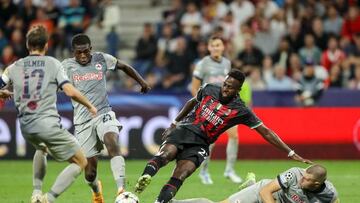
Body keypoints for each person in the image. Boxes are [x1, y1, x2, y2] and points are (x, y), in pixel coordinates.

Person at [134, 69, 312, 203]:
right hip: (186, 129)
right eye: (225, 84)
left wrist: (290, 152)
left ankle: (159, 202)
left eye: (230, 88)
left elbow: (266, 131)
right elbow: (191, 102)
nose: (225, 89)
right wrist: (174, 123)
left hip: (201, 144)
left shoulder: (241, 110)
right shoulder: (210, 88)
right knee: (165, 155)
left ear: (238, 90)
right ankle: (146, 177)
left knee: (181, 174)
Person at [0, 25, 97, 203]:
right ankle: (48, 199)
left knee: (41, 148)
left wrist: (3, 92)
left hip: (26, 126)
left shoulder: (14, 66)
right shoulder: (53, 63)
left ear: (27, 45)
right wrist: (90, 106)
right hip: (47, 123)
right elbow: (69, 91)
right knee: (80, 162)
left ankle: (36, 193)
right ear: (46, 45)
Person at [61, 33, 151, 203]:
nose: (82, 55)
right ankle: (96, 192)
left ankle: (121, 190)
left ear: (91, 49)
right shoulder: (65, 66)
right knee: (90, 173)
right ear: (73, 52)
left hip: (104, 113)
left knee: (112, 143)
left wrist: (142, 82)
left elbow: (124, 67)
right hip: (82, 122)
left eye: (85, 51)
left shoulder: (101, 59)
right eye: (78, 52)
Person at [191, 35, 242, 184]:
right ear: (208, 48)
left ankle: (229, 170)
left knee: (234, 136)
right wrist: (202, 104)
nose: (215, 48)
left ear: (223, 47)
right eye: (213, 45)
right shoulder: (202, 64)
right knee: (210, 141)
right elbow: (194, 87)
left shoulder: (227, 63)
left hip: (226, 106)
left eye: (218, 45)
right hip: (210, 107)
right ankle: (204, 172)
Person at [170, 164, 339, 203]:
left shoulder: (330, 194)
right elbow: (266, 191)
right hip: (263, 193)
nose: (302, 179)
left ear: (317, 184)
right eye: (303, 175)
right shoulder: (294, 174)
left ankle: (249, 182)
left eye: (307, 180)